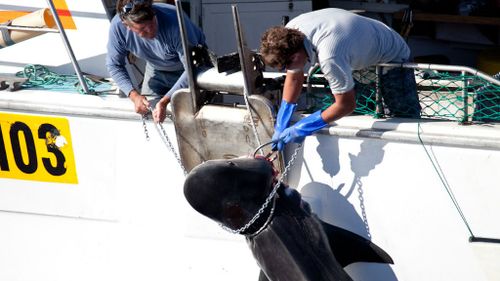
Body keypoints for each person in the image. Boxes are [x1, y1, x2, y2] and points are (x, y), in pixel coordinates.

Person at [259, 8, 421, 151]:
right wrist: (281, 122)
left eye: (285, 67)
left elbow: (346, 105)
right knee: (360, 115)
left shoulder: (330, 56)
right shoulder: (291, 32)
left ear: (295, 55)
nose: (286, 71)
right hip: (357, 56)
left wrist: (303, 127)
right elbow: (294, 76)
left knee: (404, 118)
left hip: (392, 56)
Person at [106, 0, 206, 123]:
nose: (150, 30)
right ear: (127, 26)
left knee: (193, 119)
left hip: (192, 69)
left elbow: (192, 68)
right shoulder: (118, 28)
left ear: (154, 13)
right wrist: (134, 96)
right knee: (146, 112)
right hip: (155, 69)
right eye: (143, 28)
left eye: (152, 22)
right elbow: (114, 65)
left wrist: (164, 101)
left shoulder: (176, 23)